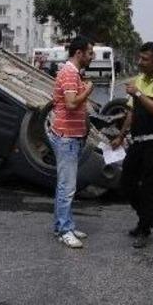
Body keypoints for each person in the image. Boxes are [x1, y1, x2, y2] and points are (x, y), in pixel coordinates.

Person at [110, 42, 153, 249]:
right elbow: (131, 112)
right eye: (139, 58)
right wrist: (121, 136)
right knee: (126, 184)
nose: (140, 63)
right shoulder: (140, 79)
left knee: (149, 188)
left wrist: (139, 94)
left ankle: (144, 227)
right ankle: (149, 218)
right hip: (137, 142)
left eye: (144, 59)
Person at [47, 36, 95, 249]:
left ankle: (64, 225)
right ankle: (65, 231)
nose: (91, 56)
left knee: (65, 186)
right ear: (79, 53)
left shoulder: (73, 73)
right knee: (67, 187)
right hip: (66, 137)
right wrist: (88, 90)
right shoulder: (68, 73)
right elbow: (71, 103)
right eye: (89, 53)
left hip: (70, 136)